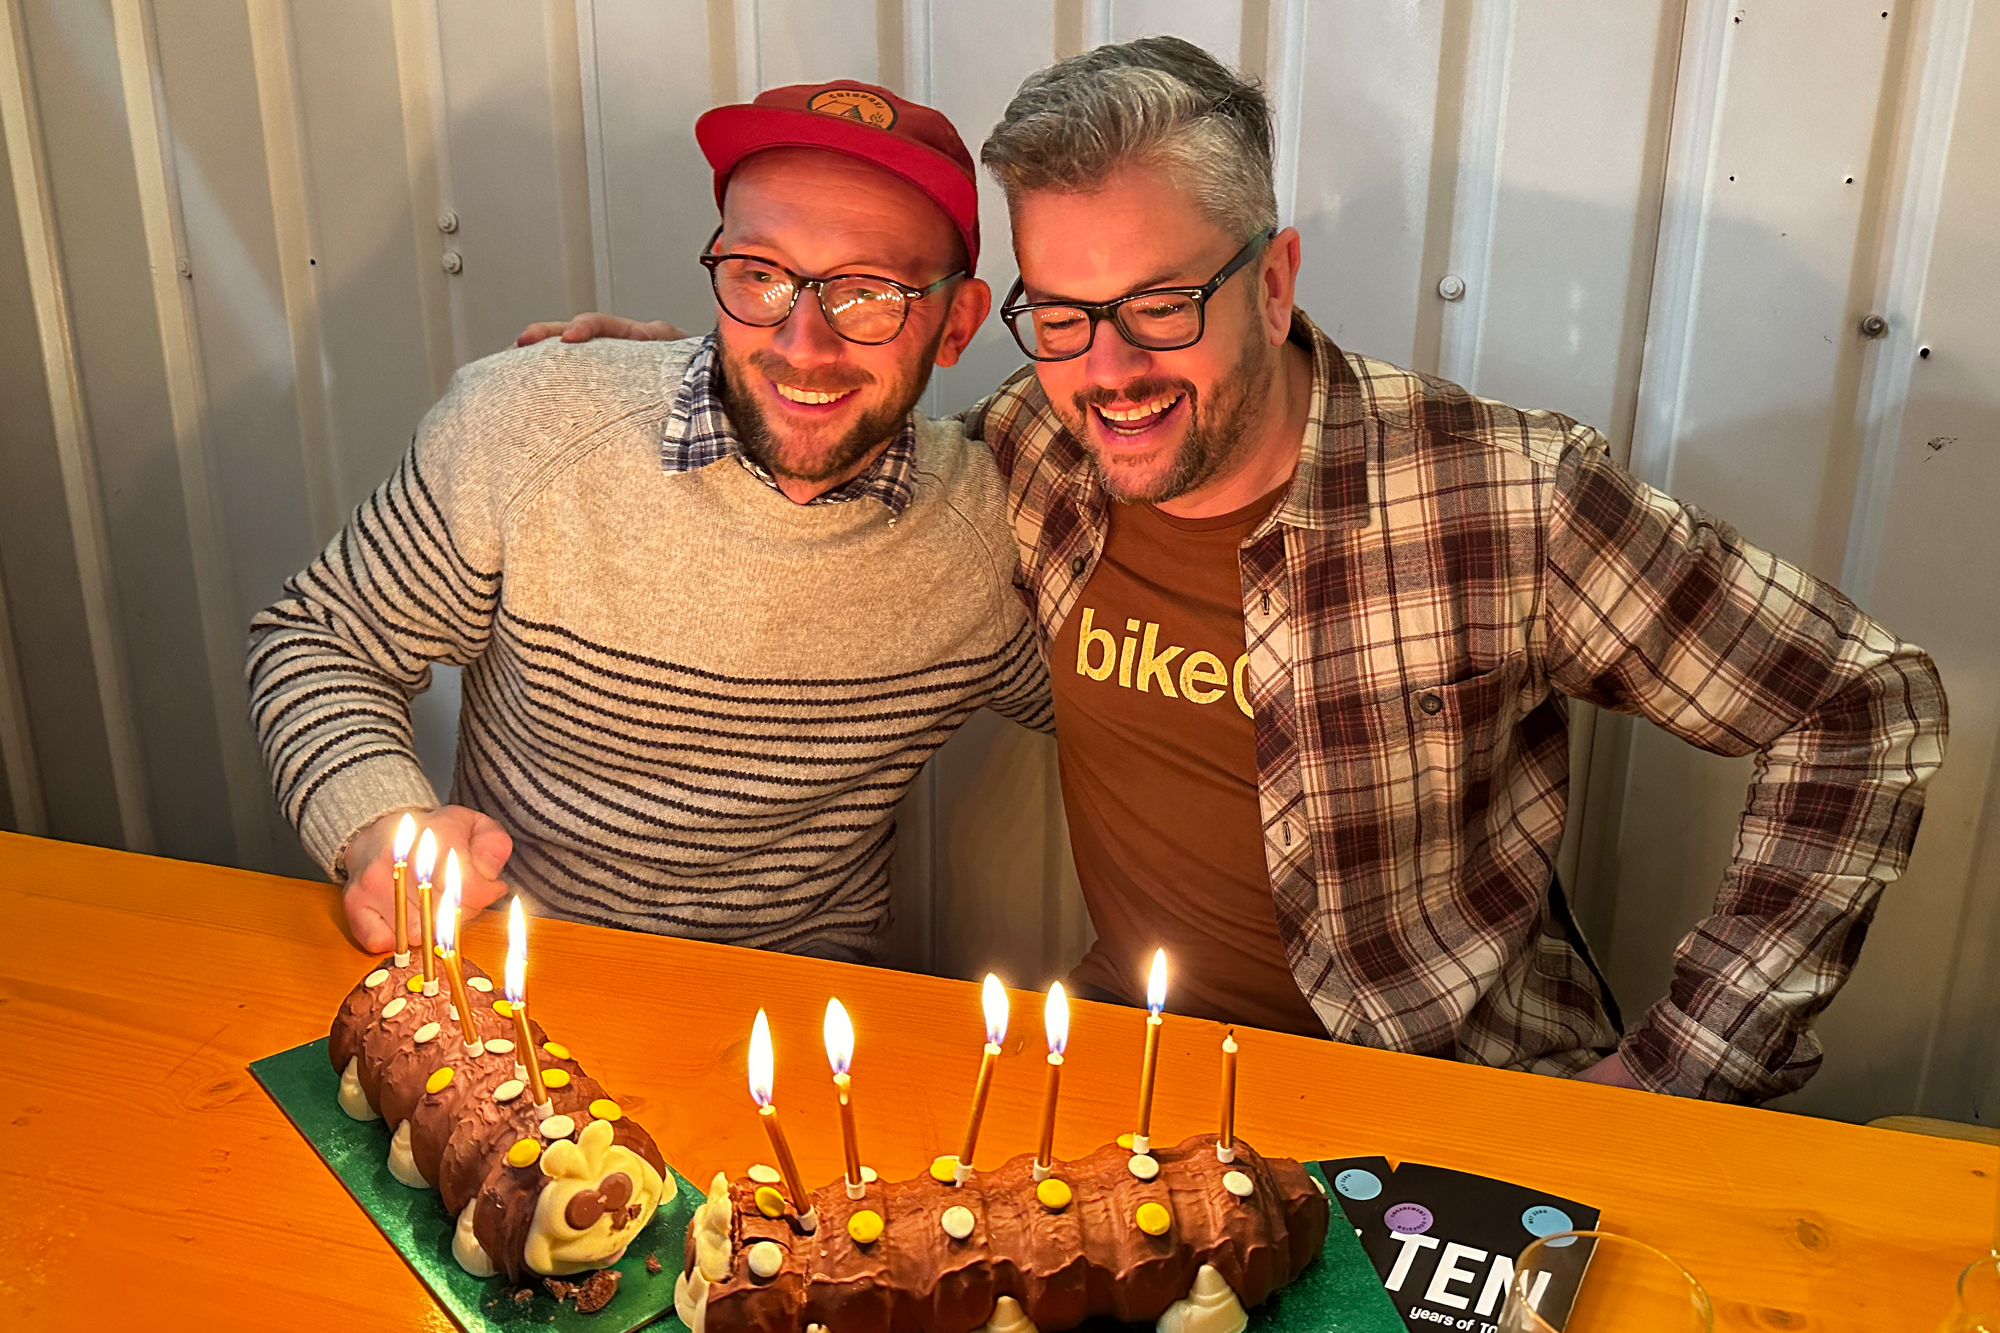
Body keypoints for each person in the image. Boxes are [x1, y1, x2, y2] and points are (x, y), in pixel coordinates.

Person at [521, 38, 1946, 1104]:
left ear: (1272, 282)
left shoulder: (1504, 495)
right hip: (1139, 1088)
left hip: (1456, 1109)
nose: (1111, 370)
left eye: (1159, 304)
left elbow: (1863, 709)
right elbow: (853, 436)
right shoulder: (1025, 451)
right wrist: (703, 371)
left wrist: (1683, 1073)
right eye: (1062, 315)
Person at [248, 81, 1048, 964]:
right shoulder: (531, 422)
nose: (802, 342)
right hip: (513, 989)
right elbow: (324, 637)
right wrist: (380, 825)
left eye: (868, 293)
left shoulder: (986, 535)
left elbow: (1149, 715)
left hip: (798, 1013)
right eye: (761, 274)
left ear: (957, 322)